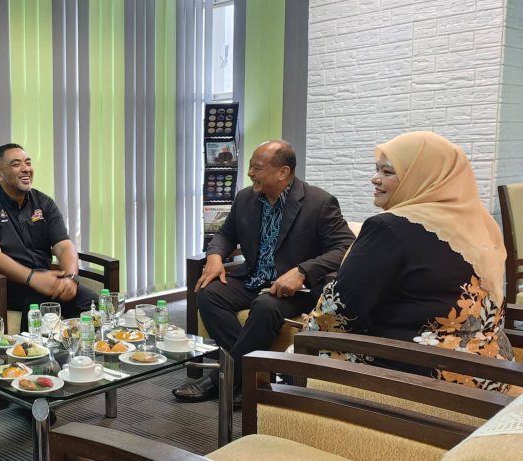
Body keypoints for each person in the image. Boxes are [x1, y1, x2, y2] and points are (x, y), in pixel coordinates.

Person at [306, 131, 513, 391]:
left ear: (421, 177)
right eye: (377, 170)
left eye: (387, 172)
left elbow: (339, 311)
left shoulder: (389, 228)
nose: (375, 179)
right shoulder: (482, 223)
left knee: (300, 351)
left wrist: (309, 326)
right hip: (490, 372)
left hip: (425, 377)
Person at [174, 140, 356, 404]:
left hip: (296, 290)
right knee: (208, 293)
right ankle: (256, 375)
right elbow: (225, 234)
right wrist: (214, 256)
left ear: (283, 172)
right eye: (250, 166)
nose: (250, 173)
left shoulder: (319, 202)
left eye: (256, 168)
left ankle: (221, 378)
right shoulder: (245, 198)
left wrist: (302, 271)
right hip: (253, 277)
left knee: (265, 306)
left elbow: (346, 248)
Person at [0, 143, 98, 332]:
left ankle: (84, 350)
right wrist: (33, 278)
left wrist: (71, 277)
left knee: (94, 305)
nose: (26, 169)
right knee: (40, 304)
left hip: (45, 280)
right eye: (16, 164)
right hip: (7, 285)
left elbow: (64, 246)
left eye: (28, 163)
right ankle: (30, 350)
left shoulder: (44, 203)